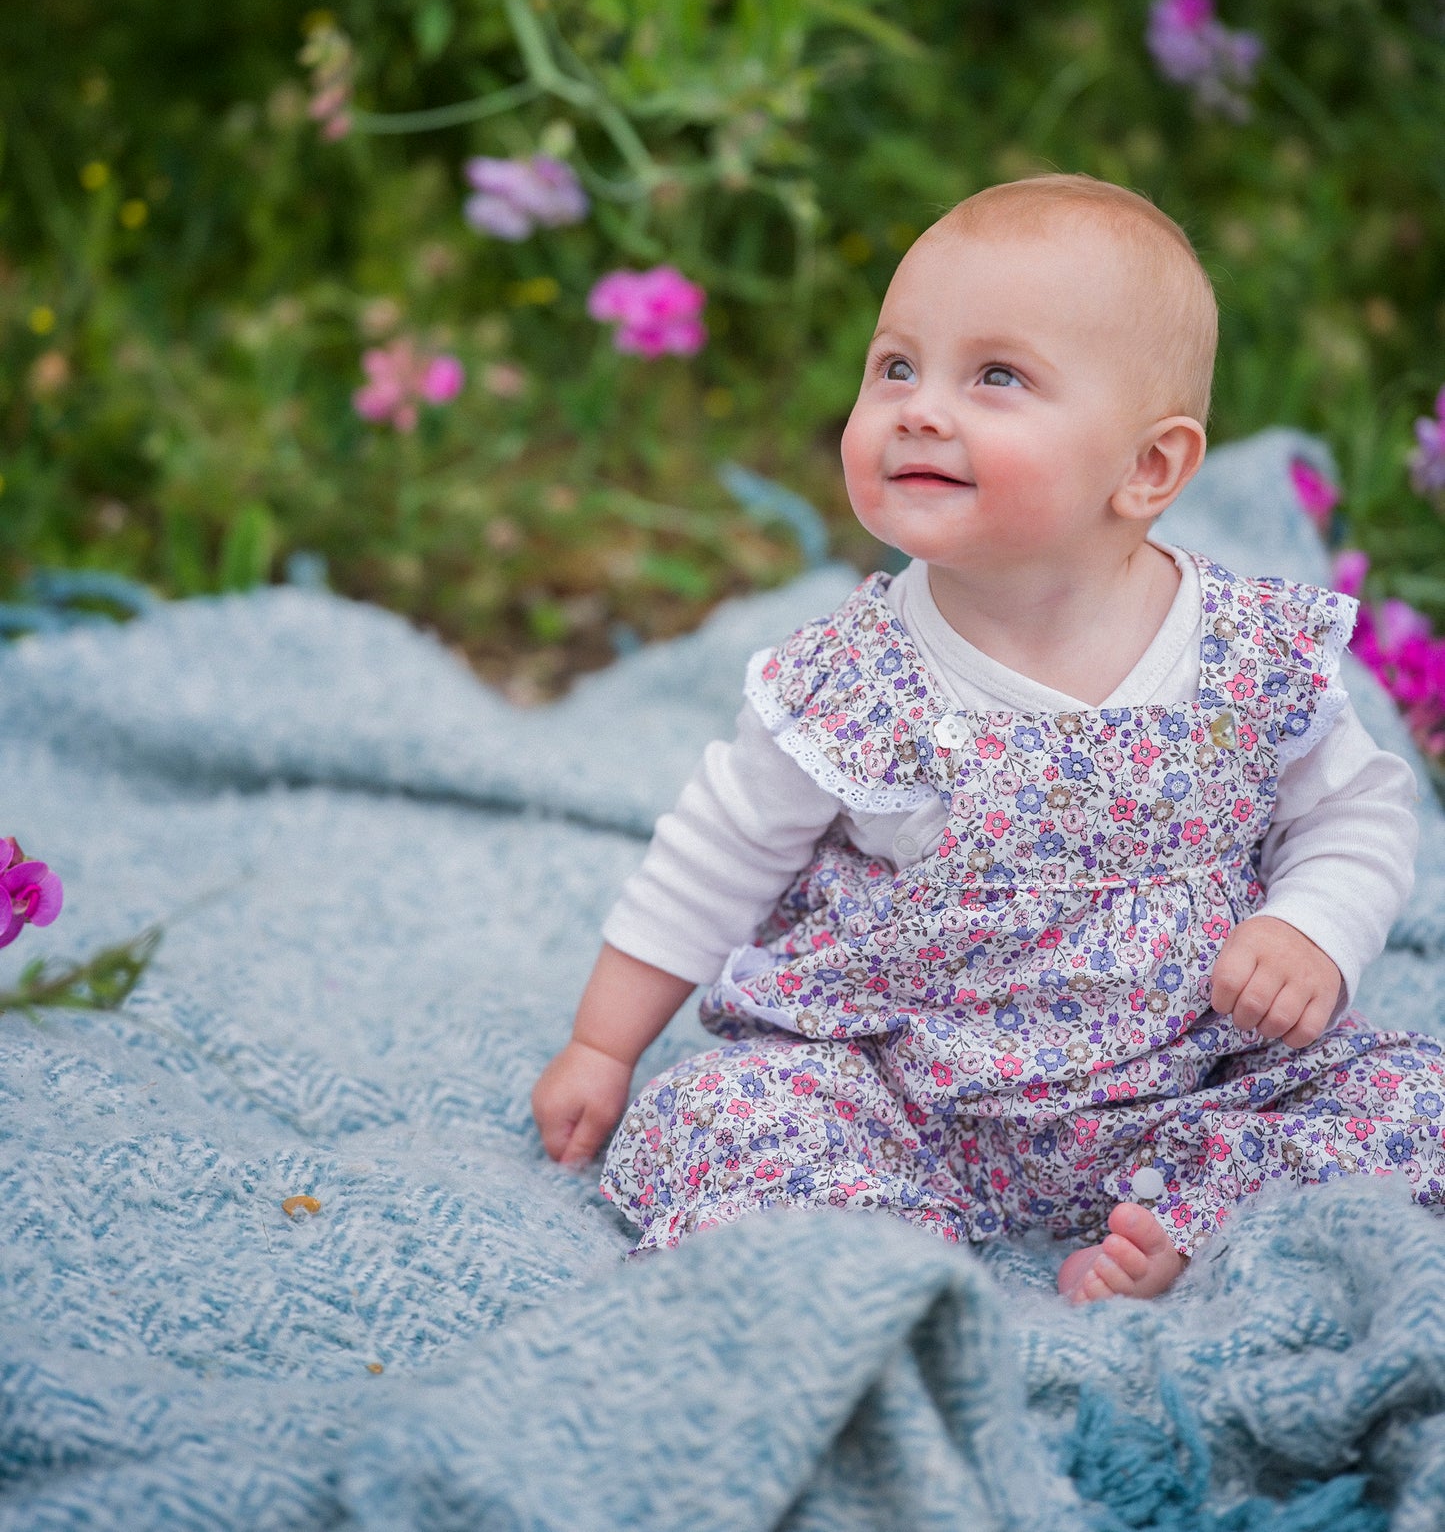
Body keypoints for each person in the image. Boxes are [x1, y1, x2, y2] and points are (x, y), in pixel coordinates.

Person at [532, 173, 1442, 1303]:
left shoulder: (1244, 654)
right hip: (906, 1090)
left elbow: (1356, 809)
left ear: (1147, 467)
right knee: (727, 1113)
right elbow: (715, 855)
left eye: (995, 376)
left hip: (1191, 1075)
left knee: (1410, 1102)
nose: (917, 406)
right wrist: (603, 1047)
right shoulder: (852, 679)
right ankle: (887, 1248)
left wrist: (1309, 928)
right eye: (894, 365)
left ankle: (1177, 1223)